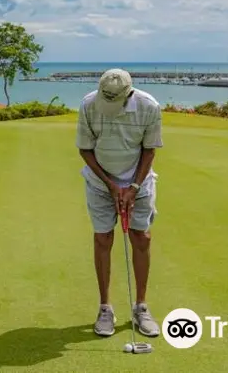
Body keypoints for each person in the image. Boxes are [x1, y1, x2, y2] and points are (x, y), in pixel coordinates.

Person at [75, 68, 162, 339]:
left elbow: (149, 150)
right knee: (103, 239)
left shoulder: (149, 107)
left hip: (139, 180)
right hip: (99, 182)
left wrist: (133, 188)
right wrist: (111, 185)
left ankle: (141, 307)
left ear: (129, 95)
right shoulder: (89, 105)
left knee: (141, 237)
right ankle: (105, 308)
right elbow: (85, 149)